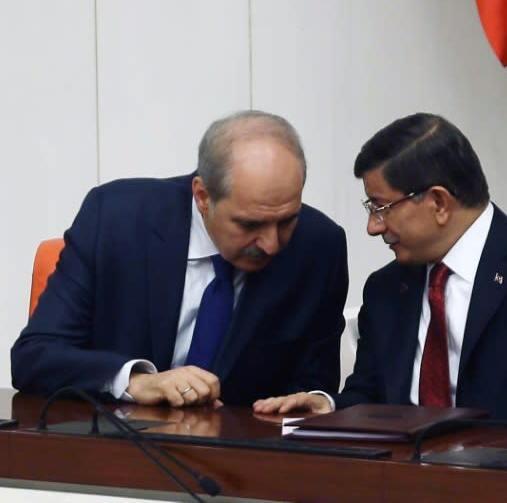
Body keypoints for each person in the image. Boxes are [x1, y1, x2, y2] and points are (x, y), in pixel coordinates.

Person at [253, 112, 507, 422]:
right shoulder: (387, 289)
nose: (374, 227)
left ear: (438, 202)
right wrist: (328, 407)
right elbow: (371, 395)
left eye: (381, 208)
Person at [12, 110, 349, 407]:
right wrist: (137, 381)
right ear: (203, 196)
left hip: (246, 461)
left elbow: (312, 388)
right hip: (120, 451)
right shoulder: (117, 220)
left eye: (287, 220)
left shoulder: (319, 246)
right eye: (250, 224)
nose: (272, 244)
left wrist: (310, 402)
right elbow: (35, 356)